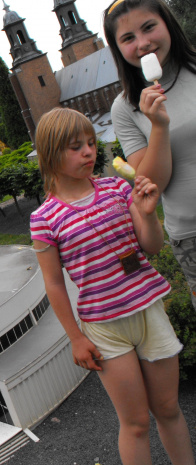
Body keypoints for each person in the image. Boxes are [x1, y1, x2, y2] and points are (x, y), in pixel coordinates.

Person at [30, 107, 194, 465]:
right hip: (105, 328)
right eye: (75, 147)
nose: (89, 152)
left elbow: (151, 247)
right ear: (50, 154)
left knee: (168, 408)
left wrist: (148, 213)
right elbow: (54, 284)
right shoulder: (44, 219)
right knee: (134, 424)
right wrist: (76, 337)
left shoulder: (118, 188)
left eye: (90, 143)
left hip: (148, 312)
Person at [104, 0, 196, 311]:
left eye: (148, 27)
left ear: (167, 23)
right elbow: (152, 184)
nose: (143, 43)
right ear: (118, 49)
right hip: (191, 235)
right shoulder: (125, 108)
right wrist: (158, 125)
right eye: (128, 38)